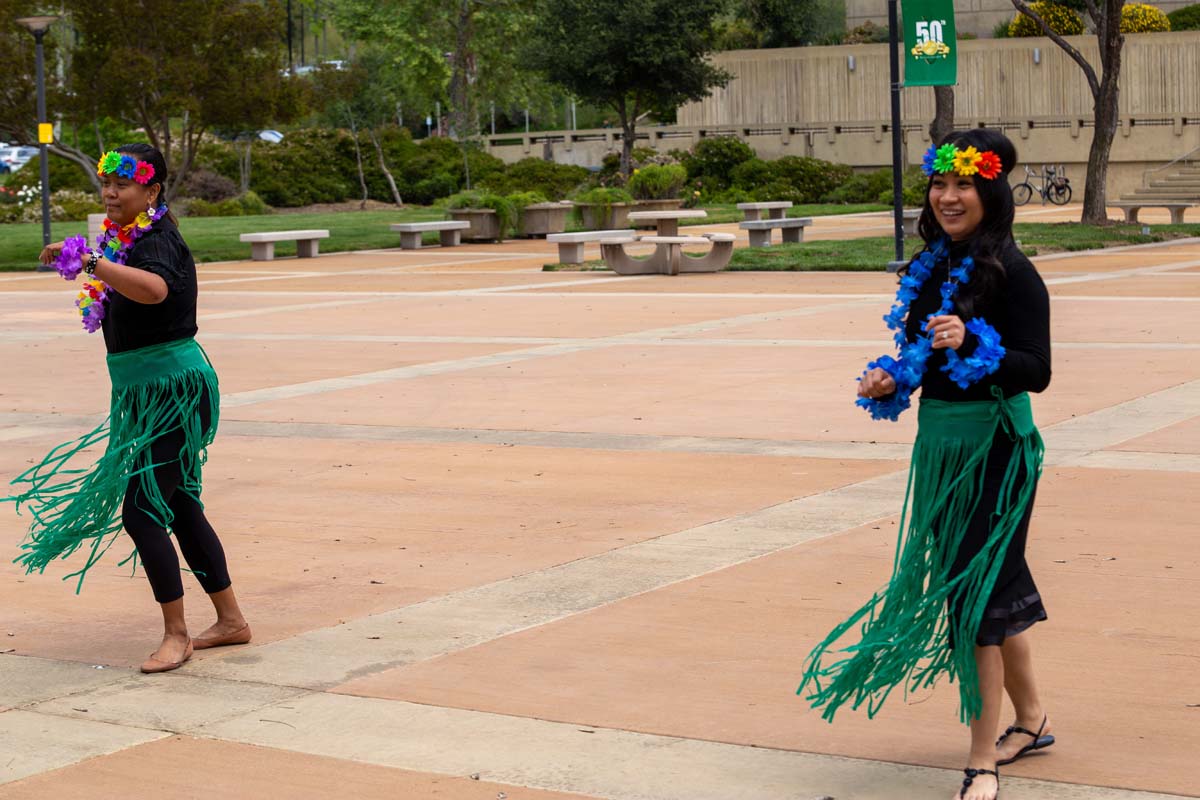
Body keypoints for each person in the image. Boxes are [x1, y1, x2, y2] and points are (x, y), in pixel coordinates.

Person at [798, 129, 1055, 800]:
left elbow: (1038, 370)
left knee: (973, 605)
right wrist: (890, 380)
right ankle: (1030, 720)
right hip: (941, 450)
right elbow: (918, 359)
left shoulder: (1014, 272)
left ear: (990, 191)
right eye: (939, 184)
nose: (948, 197)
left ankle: (982, 761)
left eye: (963, 185)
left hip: (997, 455)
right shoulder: (931, 268)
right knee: (988, 591)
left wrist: (976, 339)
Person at [5, 143, 250, 673]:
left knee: (141, 510)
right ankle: (230, 621)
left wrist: (95, 261)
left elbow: (156, 290)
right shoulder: (124, 239)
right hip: (144, 392)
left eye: (123, 184)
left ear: (152, 191)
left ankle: (176, 634)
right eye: (106, 184)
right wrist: (91, 257)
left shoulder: (157, 239)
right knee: (180, 504)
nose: (111, 193)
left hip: (175, 392)